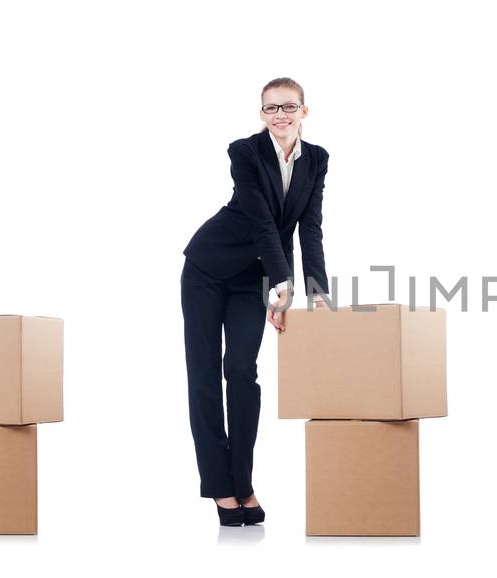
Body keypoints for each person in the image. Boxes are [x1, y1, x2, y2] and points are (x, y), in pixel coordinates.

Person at [181, 77, 330, 527]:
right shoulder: (244, 152)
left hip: (253, 279)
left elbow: (310, 228)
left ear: (305, 111)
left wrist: (315, 290)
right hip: (208, 269)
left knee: (242, 371)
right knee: (205, 374)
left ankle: (243, 482)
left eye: (288, 107)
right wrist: (281, 282)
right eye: (271, 109)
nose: (280, 115)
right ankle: (220, 488)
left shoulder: (317, 160)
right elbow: (262, 219)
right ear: (261, 114)